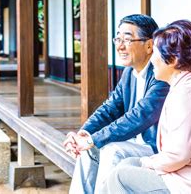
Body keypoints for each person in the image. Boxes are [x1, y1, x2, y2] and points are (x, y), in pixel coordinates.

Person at [107, 20, 191, 193]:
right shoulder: (184, 85)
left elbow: (178, 156)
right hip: (188, 174)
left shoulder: (188, 92)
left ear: (173, 59)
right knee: (126, 163)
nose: (152, 59)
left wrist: (147, 162)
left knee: (119, 176)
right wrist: (145, 162)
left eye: (155, 52)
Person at [64, 14, 170, 194]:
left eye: (127, 40)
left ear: (150, 45)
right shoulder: (129, 73)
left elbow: (140, 116)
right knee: (89, 150)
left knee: (112, 150)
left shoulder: (161, 75)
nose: (120, 46)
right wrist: (85, 133)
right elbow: (110, 108)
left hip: (156, 149)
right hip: (134, 144)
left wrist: (93, 139)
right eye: (118, 39)